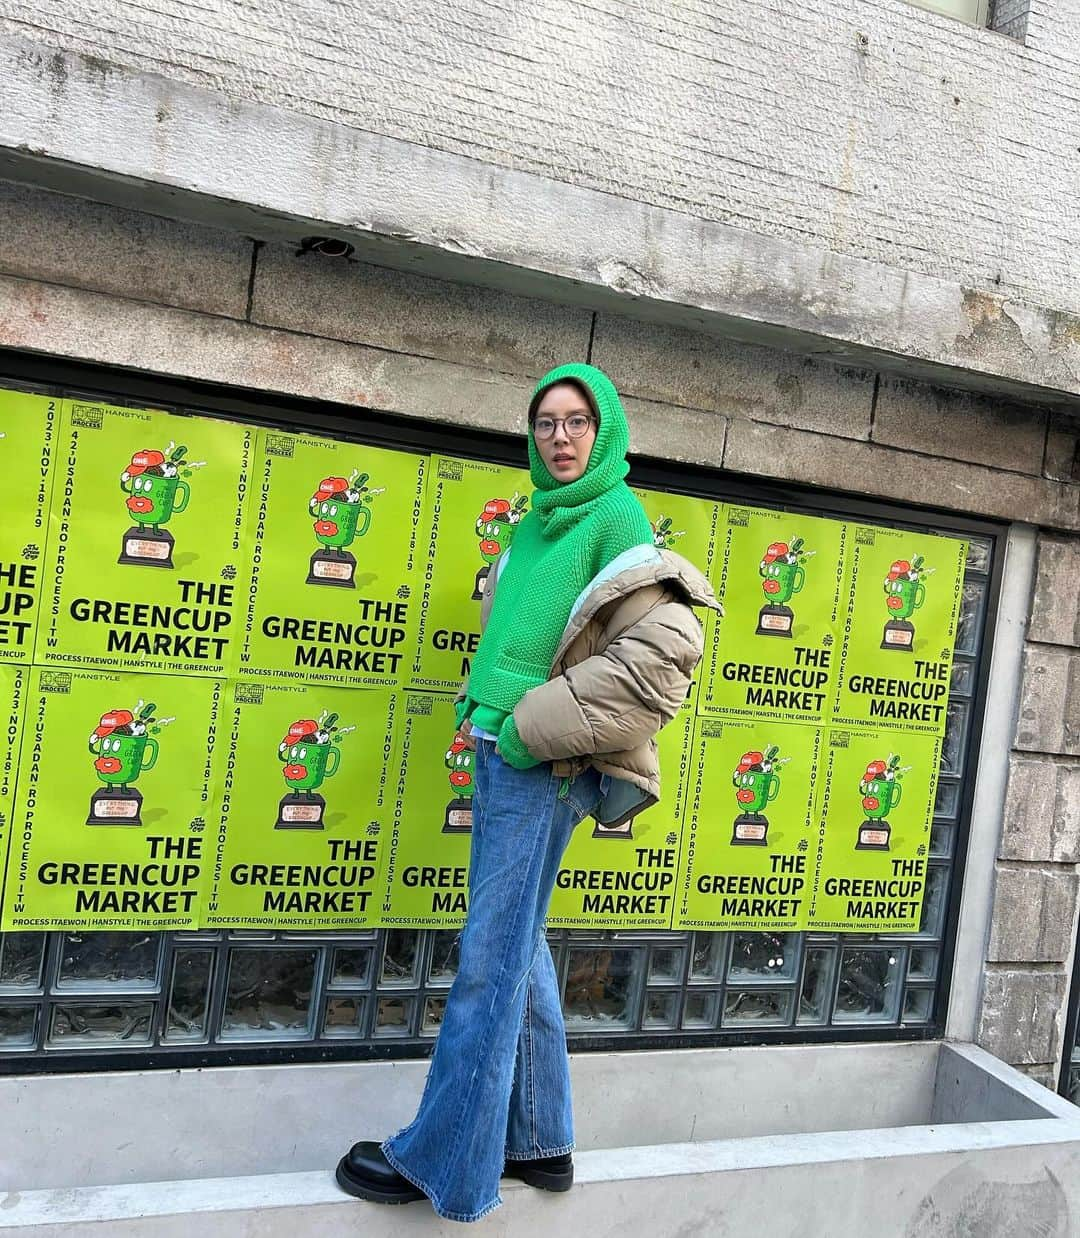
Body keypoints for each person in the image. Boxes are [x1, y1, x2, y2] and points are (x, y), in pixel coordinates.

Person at [335, 362, 721, 1223]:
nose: (560, 436)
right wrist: (481, 714)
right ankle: (541, 1142)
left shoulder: (614, 516)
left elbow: (661, 659)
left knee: (490, 965)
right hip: (500, 748)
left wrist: (525, 728)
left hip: (536, 762)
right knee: (519, 944)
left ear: (606, 429)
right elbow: (522, 639)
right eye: (546, 422)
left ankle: (445, 1163)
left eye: (578, 421)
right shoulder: (537, 519)